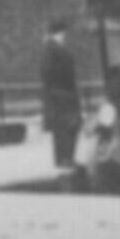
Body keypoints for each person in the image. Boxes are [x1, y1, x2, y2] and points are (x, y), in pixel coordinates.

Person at [39, 19, 81, 171]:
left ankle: (64, 158)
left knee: (65, 128)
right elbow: (48, 72)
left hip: (61, 95)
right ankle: (65, 158)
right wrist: (61, 86)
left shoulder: (52, 48)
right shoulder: (52, 49)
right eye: (63, 33)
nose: (65, 36)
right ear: (59, 33)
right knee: (66, 128)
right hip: (62, 95)